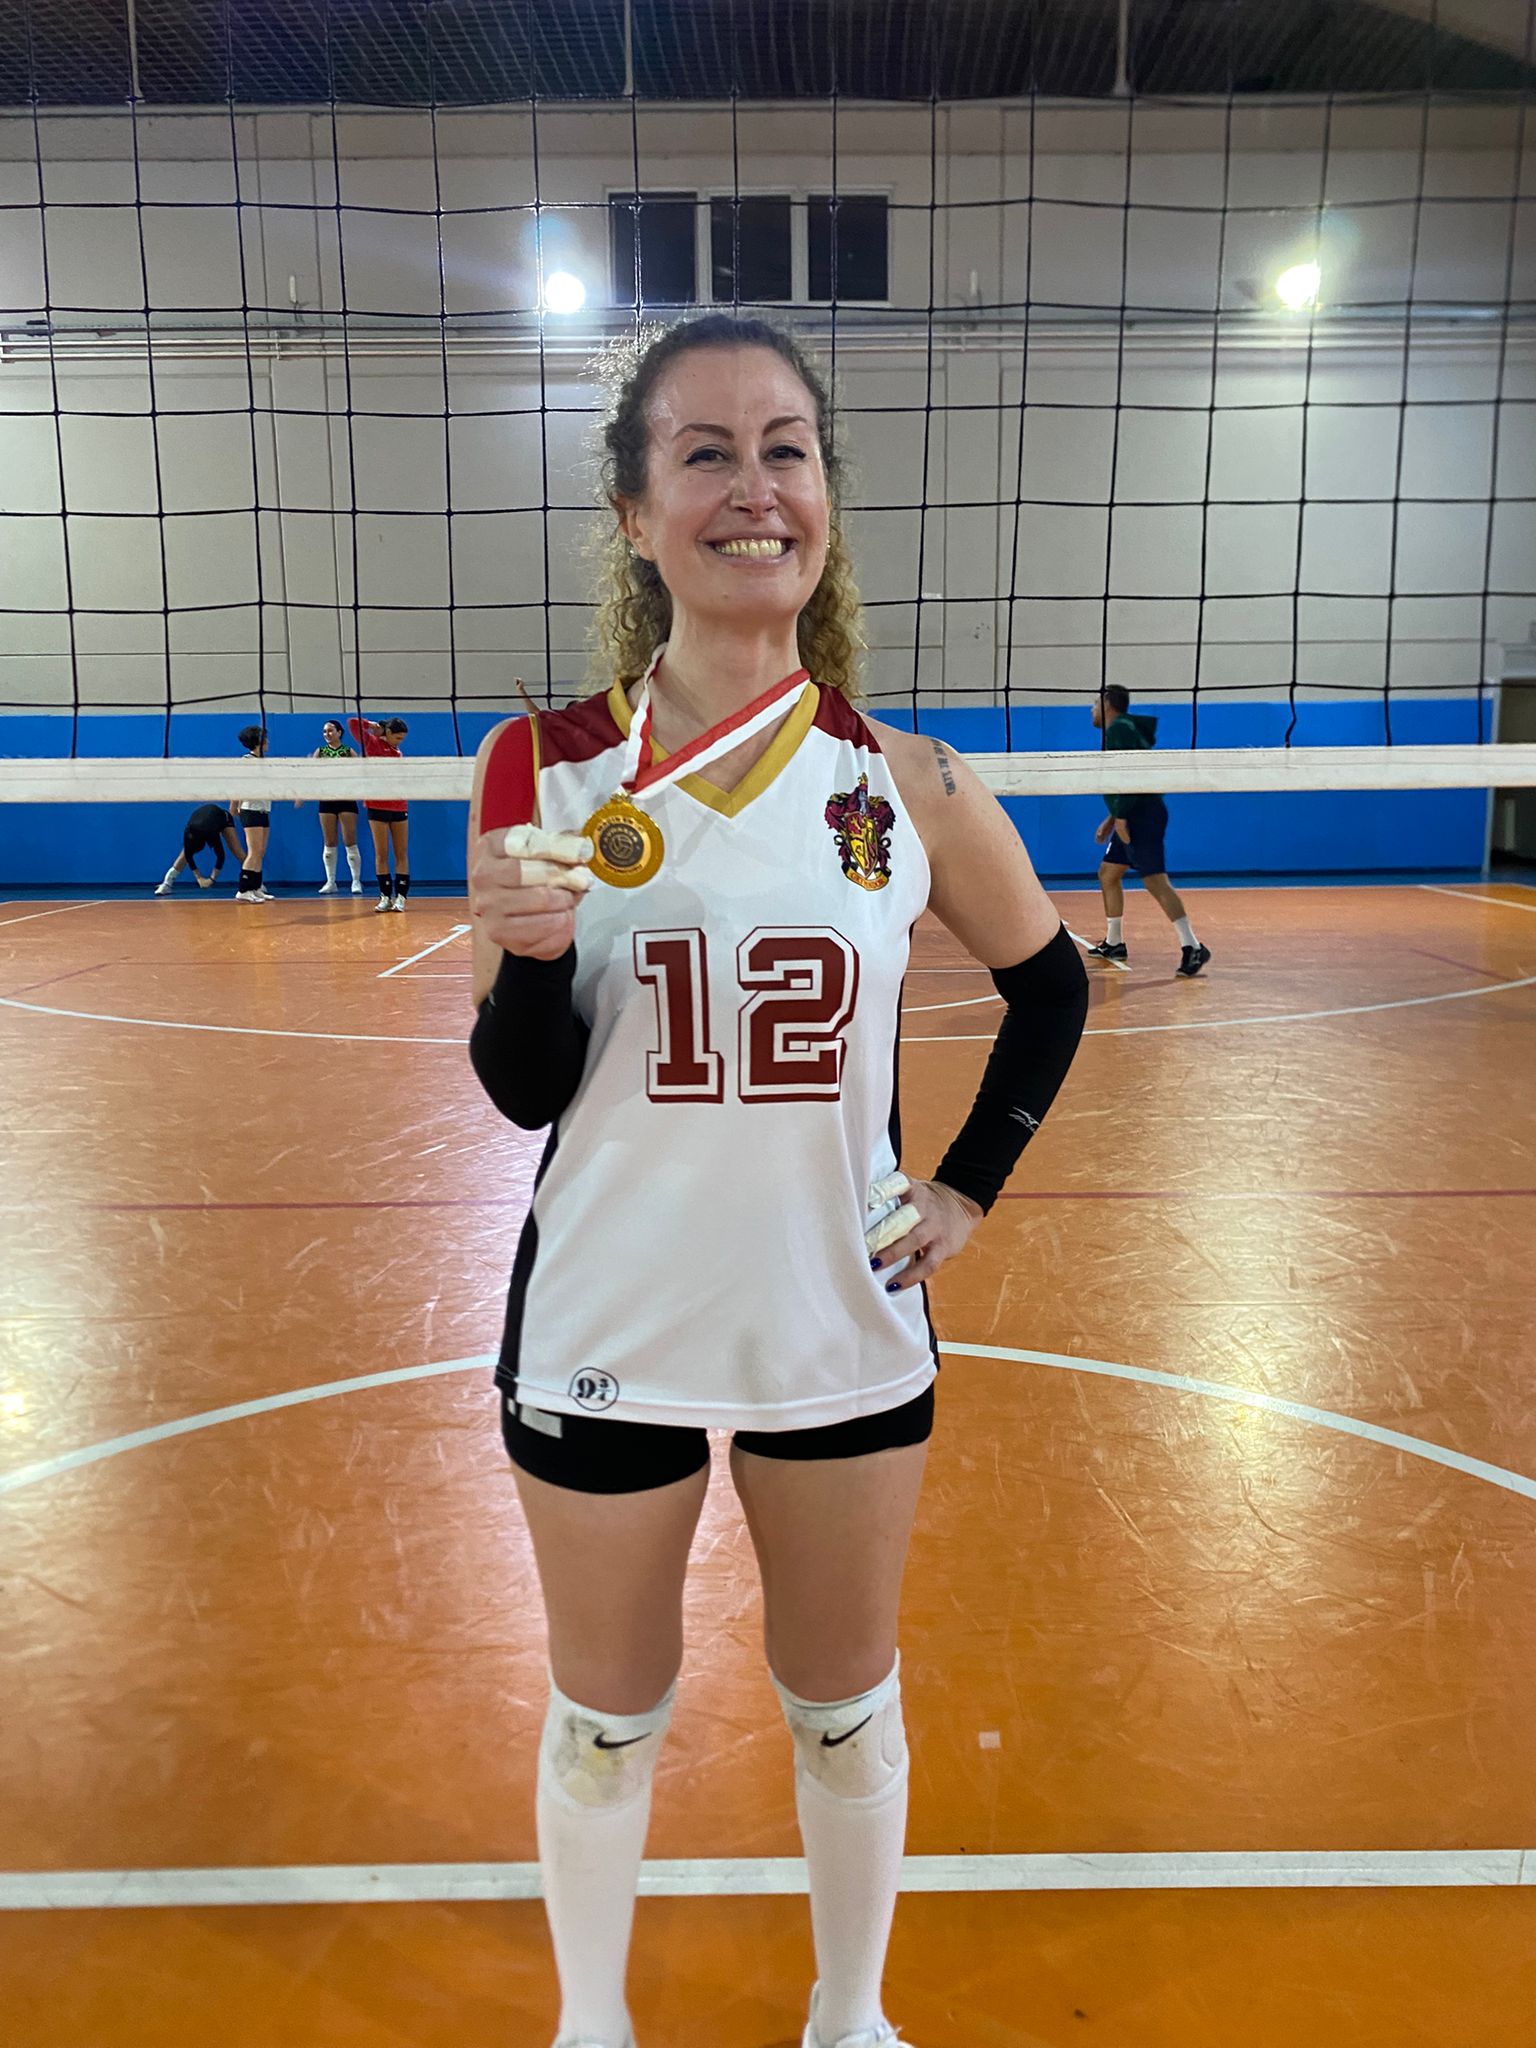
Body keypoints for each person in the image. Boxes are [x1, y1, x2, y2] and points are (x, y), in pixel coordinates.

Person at [464, 314, 1089, 2048]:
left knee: (843, 1702)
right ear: (634, 513)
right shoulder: (545, 768)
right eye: (706, 453)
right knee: (608, 1719)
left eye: (786, 450)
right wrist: (528, 964)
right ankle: (594, 2021)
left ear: (825, 496)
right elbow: (521, 1090)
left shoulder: (906, 781)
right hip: (609, 1317)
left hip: (838, 1315)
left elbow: (1050, 987)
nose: (756, 489)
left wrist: (966, 1186)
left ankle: (849, 2015)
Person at [1086, 685, 1210, 976]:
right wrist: (1112, 817)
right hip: (1132, 811)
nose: (1091, 710)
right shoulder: (1123, 729)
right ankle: (1114, 942)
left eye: (1095, 704)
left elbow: (1132, 776)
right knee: (1108, 873)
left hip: (1140, 815)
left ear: (1107, 704)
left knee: (1155, 881)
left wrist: (1121, 817)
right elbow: (1128, 779)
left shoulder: (1120, 729)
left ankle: (1192, 947)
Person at [348, 714, 410, 912]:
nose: (399, 742)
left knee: (401, 853)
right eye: (397, 737)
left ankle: (401, 897)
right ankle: (385, 897)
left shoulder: (397, 752)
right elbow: (352, 723)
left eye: (402, 739)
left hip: (398, 806)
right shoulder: (371, 743)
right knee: (381, 854)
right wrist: (371, 725)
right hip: (376, 805)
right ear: (388, 732)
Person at [304, 718, 364, 895]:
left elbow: (361, 772)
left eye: (330, 731)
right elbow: (311, 776)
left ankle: (356, 881)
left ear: (339, 733)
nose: (327, 734)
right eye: (324, 731)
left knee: (350, 840)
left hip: (346, 799)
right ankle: (331, 881)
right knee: (329, 842)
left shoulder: (348, 751)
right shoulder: (320, 752)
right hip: (327, 799)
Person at [154, 803, 242, 894]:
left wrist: (211, 879)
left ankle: (250, 881)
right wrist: (199, 878)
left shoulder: (212, 833)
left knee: (237, 851)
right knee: (184, 854)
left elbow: (221, 856)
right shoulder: (189, 831)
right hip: (204, 818)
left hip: (223, 817)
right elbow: (188, 855)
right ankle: (167, 884)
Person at [232, 725, 274, 903]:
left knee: (260, 851)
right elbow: (237, 786)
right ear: (259, 741)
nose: (268, 742)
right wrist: (234, 805)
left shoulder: (264, 762)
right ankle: (243, 890)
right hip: (250, 809)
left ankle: (256, 888)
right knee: (254, 851)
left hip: (264, 809)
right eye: (265, 738)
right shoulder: (246, 761)